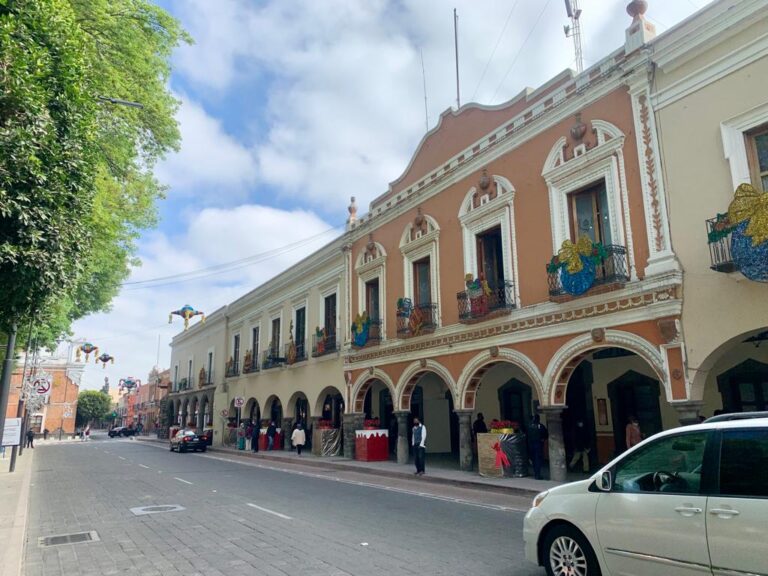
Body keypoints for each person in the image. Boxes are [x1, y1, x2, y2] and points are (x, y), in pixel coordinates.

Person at [527, 414, 548, 480]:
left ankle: (536, 473)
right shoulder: (541, 426)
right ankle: (537, 475)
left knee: (533, 459)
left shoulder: (529, 426)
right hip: (538, 444)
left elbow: (526, 434)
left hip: (531, 444)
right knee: (538, 459)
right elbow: (545, 435)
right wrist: (543, 439)